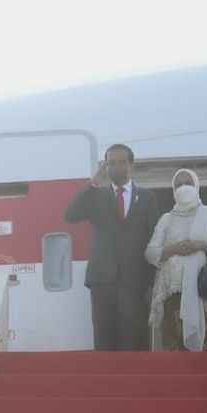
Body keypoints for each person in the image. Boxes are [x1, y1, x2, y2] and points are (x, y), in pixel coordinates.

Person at [64, 144, 159, 350]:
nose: (116, 167)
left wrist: (152, 281)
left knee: (135, 339)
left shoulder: (147, 197)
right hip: (102, 279)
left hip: (135, 280)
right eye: (111, 163)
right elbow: (70, 215)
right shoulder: (97, 195)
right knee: (104, 339)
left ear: (131, 165)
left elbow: (154, 240)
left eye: (121, 162)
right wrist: (93, 183)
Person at [145, 169, 207, 352]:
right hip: (172, 292)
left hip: (203, 290)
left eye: (187, 183)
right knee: (173, 345)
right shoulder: (167, 219)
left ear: (196, 186)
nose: (183, 188)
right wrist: (174, 249)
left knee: (206, 345)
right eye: (179, 184)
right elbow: (150, 253)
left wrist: (200, 245)